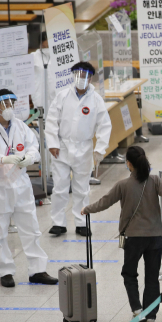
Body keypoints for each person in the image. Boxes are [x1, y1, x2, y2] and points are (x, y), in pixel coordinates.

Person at [82, 146, 162, 322]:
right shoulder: (155, 181)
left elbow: (105, 202)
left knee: (129, 273)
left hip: (133, 238)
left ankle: (137, 310)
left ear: (129, 164)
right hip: (155, 237)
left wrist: (87, 209)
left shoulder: (123, 185)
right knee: (152, 277)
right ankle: (150, 318)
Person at [0, 89, 58, 288]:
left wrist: (30, 157)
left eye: (11, 103)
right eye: (5, 104)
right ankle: (6, 271)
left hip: (21, 185)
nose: (9, 107)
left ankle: (37, 269)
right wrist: (1, 160)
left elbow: (33, 146)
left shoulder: (20, 126)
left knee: (31, 228)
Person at [45, 61, 112, 237]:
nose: (81, 78)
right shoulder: (62, 96)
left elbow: (105, 125)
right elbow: (51, 120)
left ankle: (82, 222)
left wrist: (100, 149)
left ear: (90, 78)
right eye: (78, 75)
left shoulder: (96, 100)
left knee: (82, 188)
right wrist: (52, 143)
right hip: (62, 147)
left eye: (85, 76)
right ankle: (58, 223)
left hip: (84, 148)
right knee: (59, 186)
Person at [31, 31, 49, 110]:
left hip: (55, 95)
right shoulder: (33, 57)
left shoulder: (57, 56)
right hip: (40, 96)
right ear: (41, 43)